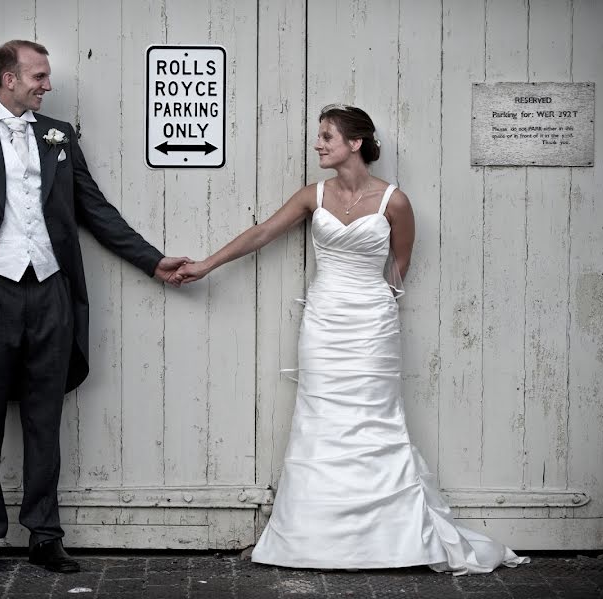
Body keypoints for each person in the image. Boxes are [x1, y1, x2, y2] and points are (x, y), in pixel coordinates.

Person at [175, 104, 528, 574]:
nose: (318, 144)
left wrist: (376, 306)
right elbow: (261, 233)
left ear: (355, 143)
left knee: (375, 421)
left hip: (372, 325)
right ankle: (311, 539)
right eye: (319, 136)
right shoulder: (312, 196)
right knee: (320, 417)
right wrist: (205, 264)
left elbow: (400, 264)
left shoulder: (394, 202)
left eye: (327, 136)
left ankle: (393, 538)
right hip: (323, 322)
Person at [0, 39, 188, 575]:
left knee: (46, 420)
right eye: (39, 76)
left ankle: (45, 535)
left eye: (47, 77)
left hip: (50, 292)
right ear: (8, 79)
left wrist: (152, 260)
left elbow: (94, 209)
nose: (48, 85)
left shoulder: (58, 136)